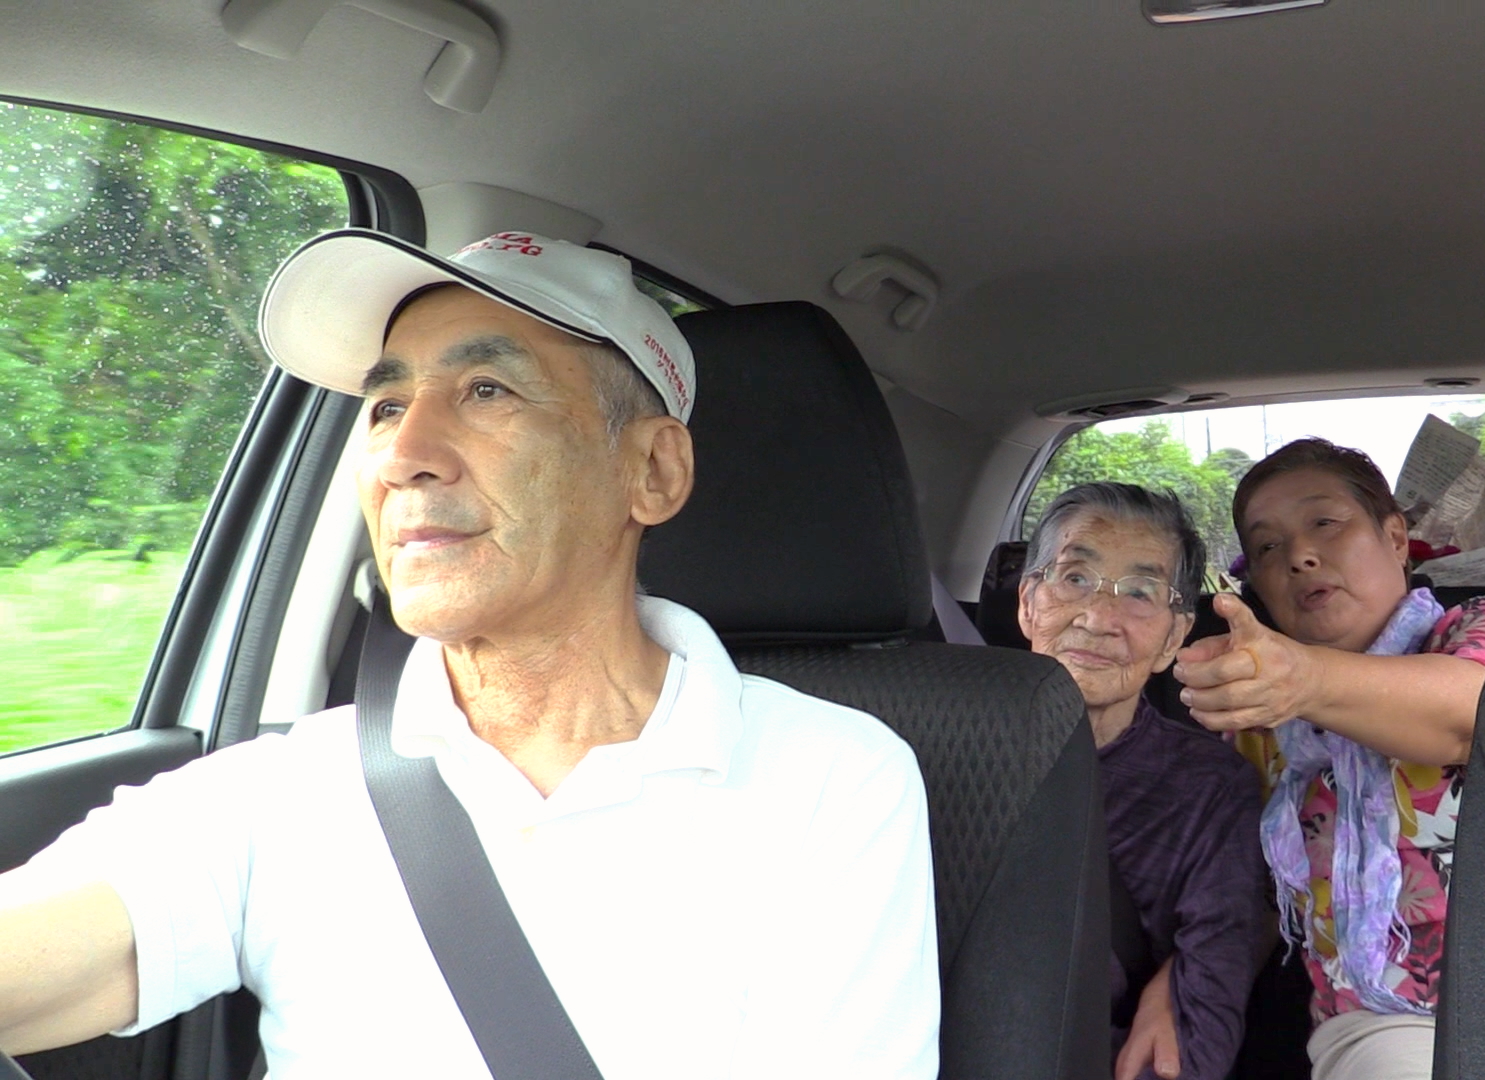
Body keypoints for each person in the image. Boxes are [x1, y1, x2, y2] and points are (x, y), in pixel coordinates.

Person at [0, 229, 939, 1078]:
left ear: (652, 471)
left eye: (487, 391)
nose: (402, 452)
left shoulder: (835, 779)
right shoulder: (287, 790)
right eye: (385, 406)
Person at [1172, 438, 1485, 1080]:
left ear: (1394, 538)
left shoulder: (1482, 627)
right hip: (1380, 1018)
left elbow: (1473, 713)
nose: (1299, 556)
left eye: (1325, 523)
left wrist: (1303, 680)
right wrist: (1173, 986)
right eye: (1267, 548)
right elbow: (1250, 895)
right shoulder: (1256, 717)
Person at [1017, 482, 1268, 1080]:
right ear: (1029, 603)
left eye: (1139, 592)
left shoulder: (1209, 790)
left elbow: (1195, 1040)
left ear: (1174, 638)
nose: (1098, 618)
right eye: (1075, 577)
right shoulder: (929, 756)